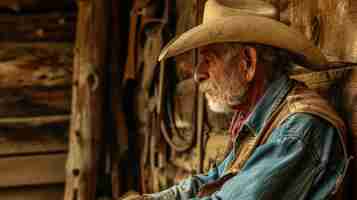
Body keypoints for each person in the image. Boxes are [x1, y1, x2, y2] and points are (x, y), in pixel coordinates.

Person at [124, 0, 350, 199]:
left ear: (248, 63)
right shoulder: (263, 119)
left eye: (209, 60)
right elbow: (214, 178)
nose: (197, 74)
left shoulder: (297, 130)